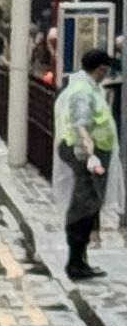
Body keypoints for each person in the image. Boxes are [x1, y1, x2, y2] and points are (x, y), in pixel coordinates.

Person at [62, 46, 120, 279]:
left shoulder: (89, 87)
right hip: (88, 157)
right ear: (100, 69)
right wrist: (90, 154)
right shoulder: (83, 91)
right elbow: (81, 123)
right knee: (84, 206)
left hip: (92, 155)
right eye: (105, 70)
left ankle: (80, 259)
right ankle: (76, 262)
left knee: (88, 205)